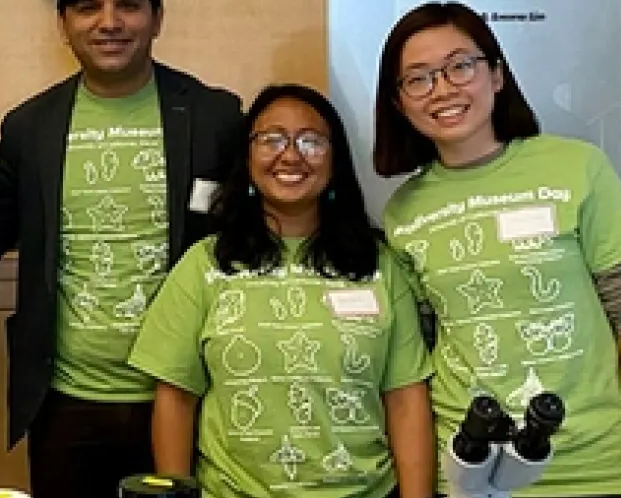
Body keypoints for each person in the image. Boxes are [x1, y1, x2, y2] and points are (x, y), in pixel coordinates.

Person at [0, 0, 245, 497]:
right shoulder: (30, 127)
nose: (109, 22)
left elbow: (254, 236)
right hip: (66, 404)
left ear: (157, 18)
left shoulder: (213, 116)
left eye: (129, 5)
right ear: (64, 25)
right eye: (88, 7)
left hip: (185, 395)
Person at [369, 1, 621, 498]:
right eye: (419, 78)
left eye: (460, 66)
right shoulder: (403, 212)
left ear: (496, 75)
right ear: (400, 103)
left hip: (593, 466)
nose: (443, 89)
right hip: (472, 473)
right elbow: (422, 357)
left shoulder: (578, 167)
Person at [130, 84, 437, 498]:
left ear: (335, 160)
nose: (290, 155)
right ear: (247, 156)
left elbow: (405, 399)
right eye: (271, 139)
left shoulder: (377, 264)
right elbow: (176, 396)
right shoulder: (205, 263)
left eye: (311, 141)